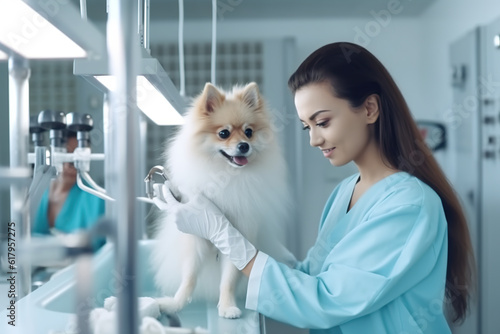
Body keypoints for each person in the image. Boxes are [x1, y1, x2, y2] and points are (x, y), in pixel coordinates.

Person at [153, 42, 474, 333]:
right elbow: (313, 276)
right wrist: (242, 234)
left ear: (370, 109)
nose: (314, 139)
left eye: (322, 122)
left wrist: (228, 238)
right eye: (307, 126)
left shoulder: (409, 205)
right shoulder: (347, 192)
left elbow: (327, 301)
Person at [33, 130, 106, 250]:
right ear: (53, 154)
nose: (70, 165)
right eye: (66, 154)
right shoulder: (36, 192)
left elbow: (103, 252)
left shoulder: (97, 198)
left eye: (76, 158)